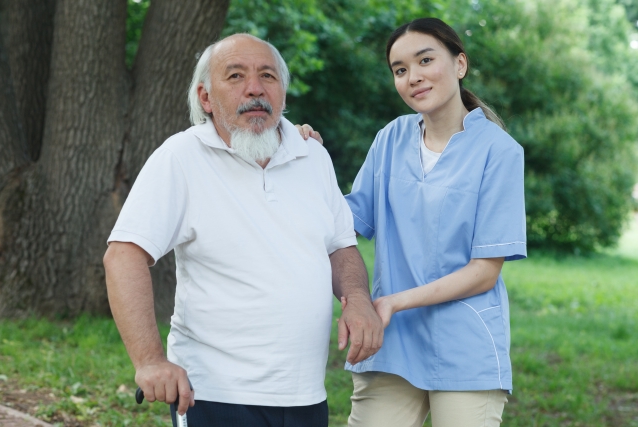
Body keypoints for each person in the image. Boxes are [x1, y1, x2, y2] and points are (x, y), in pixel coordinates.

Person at [103, 33, 383, 427]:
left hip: (305, 395)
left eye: (267, 76)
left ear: (282, 92)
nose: (255, 88)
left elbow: (341, 247)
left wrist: (356, 297)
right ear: (205, 98)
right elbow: (123, 256)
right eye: (235, 76)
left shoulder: (313, 155)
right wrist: (149, 362)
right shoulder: (180, 158)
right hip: (213, 394)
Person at [298, 17, 526, 427]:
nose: (413, 77)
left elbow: (484, 272)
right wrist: (306, 163)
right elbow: (346, 221)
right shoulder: (390, 138)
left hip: (464, 347)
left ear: (459, 64)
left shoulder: (499, 151)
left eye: (424, 61)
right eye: (400, 70)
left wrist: (391, 302)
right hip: (391, 343)